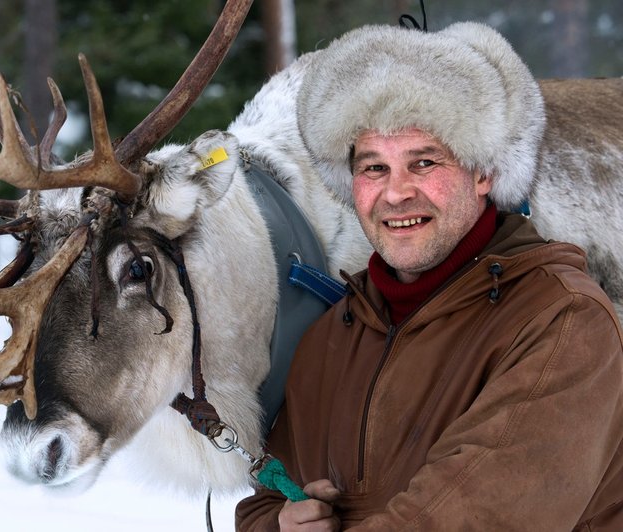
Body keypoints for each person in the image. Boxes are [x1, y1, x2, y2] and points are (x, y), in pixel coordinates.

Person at [236, 22, 623, 531]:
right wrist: (281, 524)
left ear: (484, 173)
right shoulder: (335, 335)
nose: (396, 193)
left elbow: (473, 518)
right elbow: (265, 500)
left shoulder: (563, 322)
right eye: (374, 168)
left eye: (423, 162)